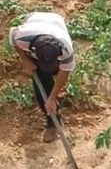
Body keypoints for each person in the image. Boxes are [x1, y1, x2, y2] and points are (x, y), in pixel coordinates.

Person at [7, 11, 76, 142]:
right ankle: (53, 122)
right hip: (33, 19)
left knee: (52, 82)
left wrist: (52, 97)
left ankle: (51, 103)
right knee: (42, 83)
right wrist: (26, 60)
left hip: (55, 21)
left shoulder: (66, 49)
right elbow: (13, 38)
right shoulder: (22, 38)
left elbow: (64, 72)